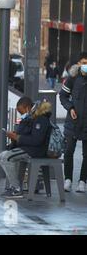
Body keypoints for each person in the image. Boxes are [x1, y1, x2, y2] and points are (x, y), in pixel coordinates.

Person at [0, 98, 52, 199]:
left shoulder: (41, 119)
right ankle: (14, 186)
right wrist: (15, 136)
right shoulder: (31, 117)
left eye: (21, 111)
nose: (20, 114)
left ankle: (16, 189)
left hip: (36, 150)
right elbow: (25, 132)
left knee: (6, 157)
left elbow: (37, 141)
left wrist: (17, 137)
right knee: (1, 156)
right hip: (27, 148)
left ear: (27, 108)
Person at [59, 52, 87, 193]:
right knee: (68, 151)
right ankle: (68, 179)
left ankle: (82, 181)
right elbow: (63, 95)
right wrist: (70, 108)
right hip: (73, 122)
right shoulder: (72, 78)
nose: (85, 65)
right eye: (83, 62)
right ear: (78, 63)